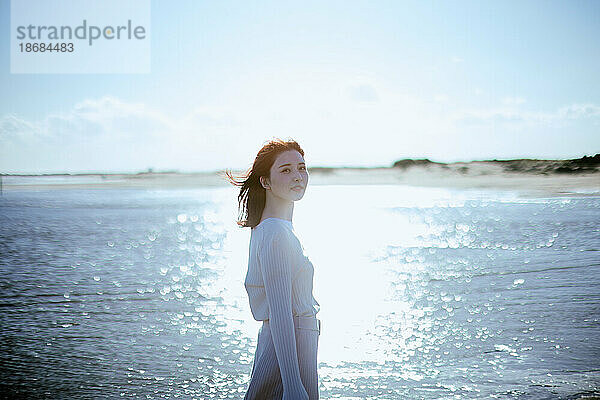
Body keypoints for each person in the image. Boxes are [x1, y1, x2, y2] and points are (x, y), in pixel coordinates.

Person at [226, 138, 321, 400]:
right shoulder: (275, 232)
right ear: (265, 182)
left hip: (291, 342)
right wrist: (292, 384)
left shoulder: (273, 228)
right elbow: (280, 314)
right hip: (290, 345)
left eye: (301, 168)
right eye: (286, 170)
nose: (298, 176)